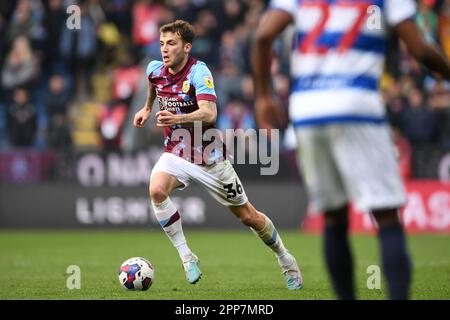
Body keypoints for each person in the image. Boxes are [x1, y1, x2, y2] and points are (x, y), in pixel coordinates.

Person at [252, 0, 450, 300]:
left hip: (308, 111)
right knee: (386, 216)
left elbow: (263, 34)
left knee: (333, 217)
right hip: (358, 106)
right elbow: (419, 49)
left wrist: (264, 95)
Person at [133, 20, 302, 290]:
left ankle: (285, 257)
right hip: (176, 152)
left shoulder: (199, 72)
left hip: (210, 159)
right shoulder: (154, 69)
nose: (164, 49)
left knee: (249, 217)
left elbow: (209, 113)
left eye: (172, 43)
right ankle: (187, 256)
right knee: (156, 191)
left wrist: (177, 116)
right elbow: (153, 86)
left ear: (187, 47)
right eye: (162, 43)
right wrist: (146, 108)